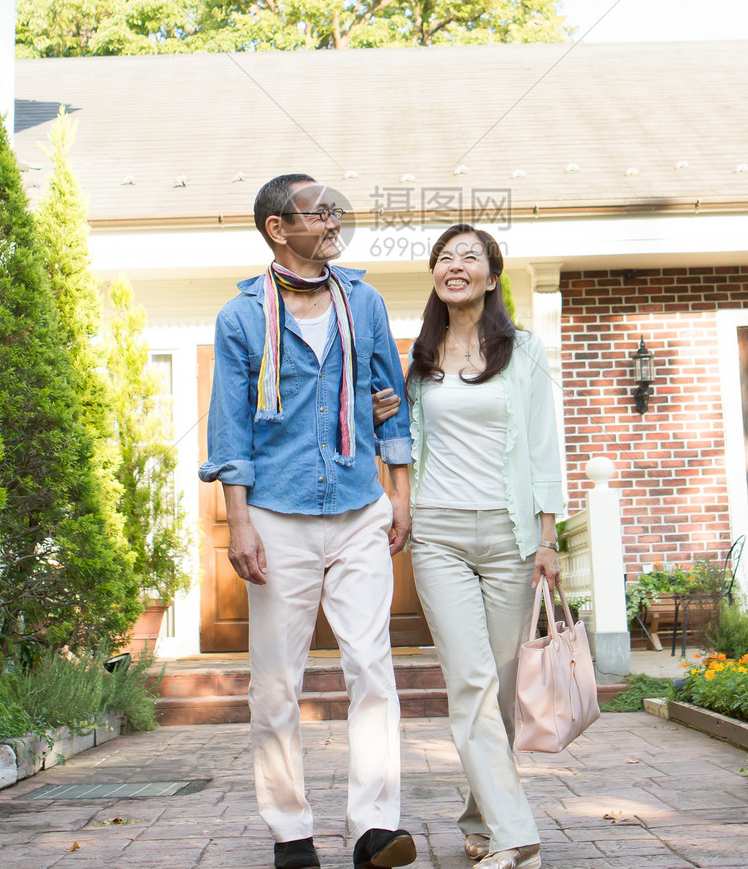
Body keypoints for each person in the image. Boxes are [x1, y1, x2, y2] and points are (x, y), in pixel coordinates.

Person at [199, 174, 417, 869]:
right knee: (276, 683)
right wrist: (238, 522)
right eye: (317, 212)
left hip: (359, 507)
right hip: (277, 514)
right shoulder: (240, 318)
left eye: (335, 210)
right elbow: (229, 429)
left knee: (372, 670)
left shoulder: (365, 300)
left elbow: (393, 397)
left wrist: (400, 493)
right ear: (277, 229)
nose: (333, 221)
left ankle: (375, 827)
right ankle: (291, 832)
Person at [374, 225, 563, 869]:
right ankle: (517, 835)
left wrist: (547, 537)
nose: (456, 267)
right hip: (438, 535)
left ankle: (481, 815)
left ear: (492, 276)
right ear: (434, 275)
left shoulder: (525, 351)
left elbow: (544, 447)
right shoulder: (418, 361)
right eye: (445, 258)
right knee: (472, 681)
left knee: (503, 687)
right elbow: (400, 442)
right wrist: (384, 417)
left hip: (510, 535)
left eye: (470, 258)